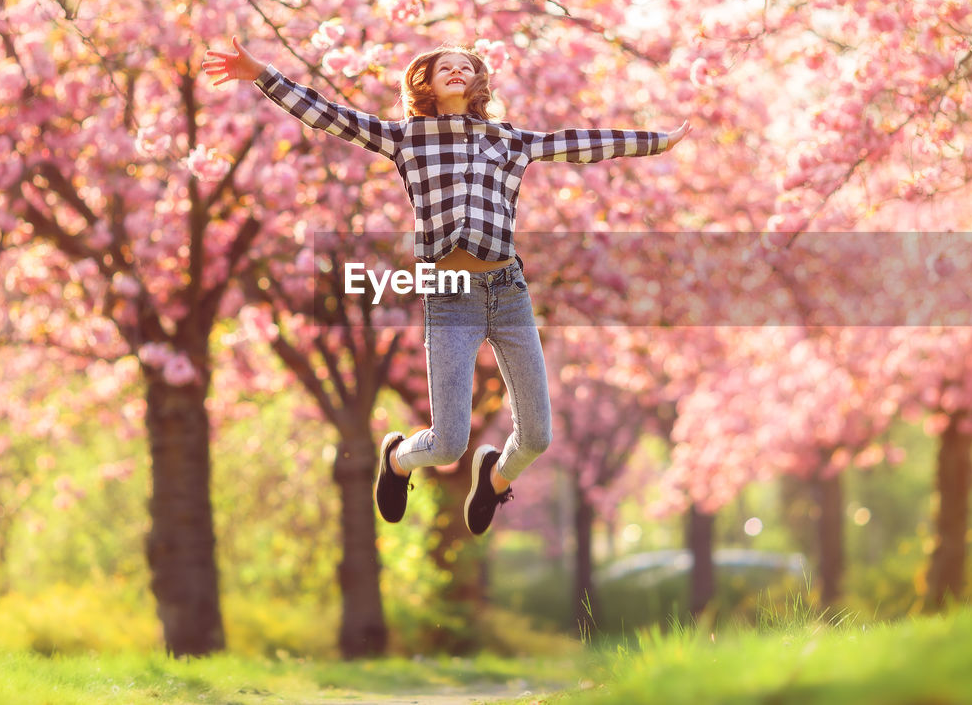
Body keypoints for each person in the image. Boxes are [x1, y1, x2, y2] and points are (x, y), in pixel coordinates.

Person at [202, 37, 689, 535]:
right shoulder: (407, 137)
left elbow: (578, 144)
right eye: (445, 67)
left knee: (537, 437)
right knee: (448, 444)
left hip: (509, 292)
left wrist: (657, 141)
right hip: (451, 293)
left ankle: (495, 480)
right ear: (426, 82)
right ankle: (396, 459)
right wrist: (262, 73)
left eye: (465, 67)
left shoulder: (508, 140)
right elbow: (329, 116)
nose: (456, 71)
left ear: (477, 81)